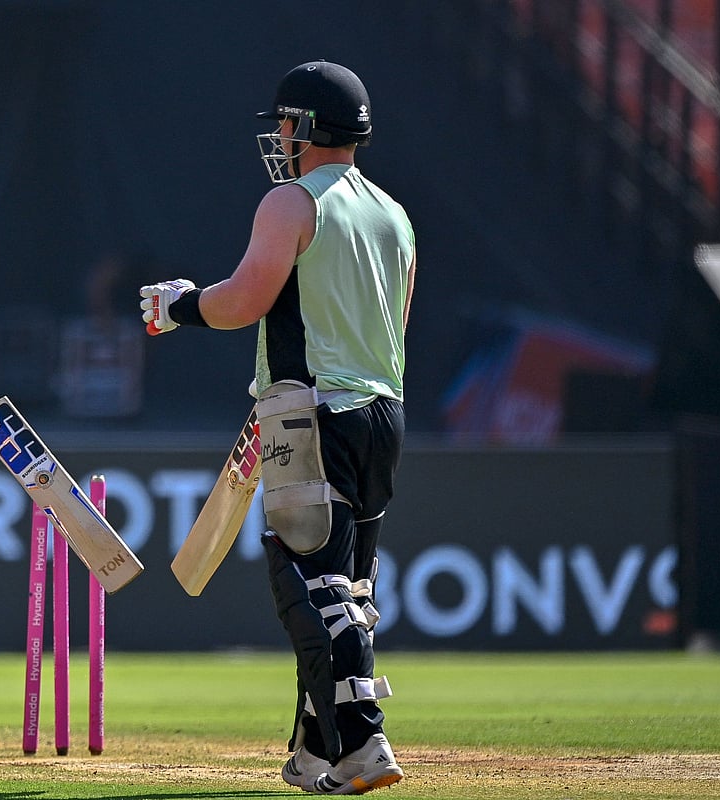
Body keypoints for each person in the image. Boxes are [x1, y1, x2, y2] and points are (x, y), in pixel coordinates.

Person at [140, 60, 415, 795]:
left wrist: (181, 305)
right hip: (383, 413)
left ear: (308, 128)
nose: (280, 138)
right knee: (350, 587)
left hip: (313, 410)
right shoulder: (394, 213)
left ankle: (362, 743)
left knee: (310, 579)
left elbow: (245, 301)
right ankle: (316, 750)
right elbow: (398, 325)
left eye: (286, 124)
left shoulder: (292, 201)